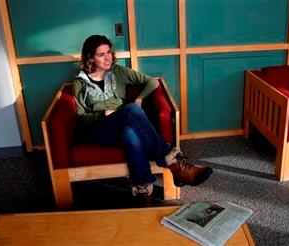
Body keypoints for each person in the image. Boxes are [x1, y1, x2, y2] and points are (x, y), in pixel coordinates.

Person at [73, 34, 213, 202]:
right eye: (101, 54)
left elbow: (152, 82)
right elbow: (81, 119)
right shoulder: (79, 83)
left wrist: (139, 99)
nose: (107, 57)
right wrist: (103, 114)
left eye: (109, 52)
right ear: (90, 57)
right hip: (100, 131)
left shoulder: (117, 71)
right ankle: (171, 159)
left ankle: (142, 187)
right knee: (130, 109)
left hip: (122, 124)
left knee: (129, 133)